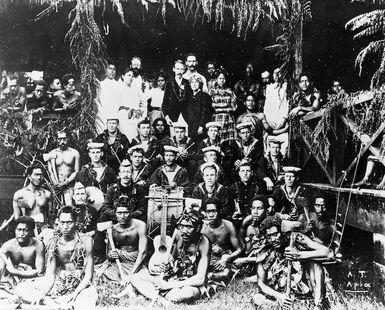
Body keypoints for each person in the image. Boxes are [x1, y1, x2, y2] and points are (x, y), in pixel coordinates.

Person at [16, 206, 98, 310]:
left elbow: (88, 275)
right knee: (21, 288)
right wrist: (43, 293)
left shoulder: (86, 241)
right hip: (60, 282)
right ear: (58, 222)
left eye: (69, 222)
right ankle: (50, 303)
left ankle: (63, 303)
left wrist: (75, 294)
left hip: (81, 284)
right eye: (62, 223)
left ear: (76, 222)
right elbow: (51, 275)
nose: (65, 226)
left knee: (86, 299)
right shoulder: (54, 243)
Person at [252, 215, 333, 310]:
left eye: (275, 234)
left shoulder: (295, 237)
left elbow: (329, 253)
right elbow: (261, 284)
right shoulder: (263, 249)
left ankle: (318, 304)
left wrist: (300, 255)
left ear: (282, 232)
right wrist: (280, 297)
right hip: (282, 291)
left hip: (305, 286)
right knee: (256, 299)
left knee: (315, 264)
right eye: (269, 236)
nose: (273, 239)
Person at [131, 209, 210, 305]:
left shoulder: (204, 243)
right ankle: (162, 299)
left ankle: (153, 294)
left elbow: (200, 279)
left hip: (190, 284)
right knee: (135, 277)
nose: (184, 231)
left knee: (188, 293)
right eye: (182, 226)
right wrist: (168, 267)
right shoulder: (181, 238)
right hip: (173, 279)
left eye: (189, 227)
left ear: (197, 228)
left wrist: (168, 285)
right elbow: (175, 262)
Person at [97, 199, 148, 287]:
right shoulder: (112, 229)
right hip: (120, 262)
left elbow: (143, 252)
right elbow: (109, 255)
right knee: (102, 274)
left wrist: (131, 274)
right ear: (115, 213)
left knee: (139, 279)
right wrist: (111, 255)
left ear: (131, 212)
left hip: (136, 260)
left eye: (126, 212)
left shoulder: (140, 225)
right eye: (119, 213)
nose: (123, 216)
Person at [0, 216, 45, 298]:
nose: (21, 233)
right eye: (19, 230)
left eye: (25, 230)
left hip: (33, 280)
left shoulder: (38, 245)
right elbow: (1, 270)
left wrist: (15, 271)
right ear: (15, 230)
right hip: (12, 280)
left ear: (31, 231)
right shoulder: (7, 246)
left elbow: (39, 271)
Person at [201, 198, 241, 282]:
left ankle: (208, 276)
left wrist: (228, 258)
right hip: (207, 259)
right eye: (208, 211)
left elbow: (239, 249)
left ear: (219, 211)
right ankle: (207, 276)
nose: (211, 214)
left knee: (225, 274)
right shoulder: (202, 228)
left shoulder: (228, 226)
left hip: (224, 259)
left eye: (214, 211)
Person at [47, 131, 80, 205]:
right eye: (60, 139)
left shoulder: (74, 153)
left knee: (70, 207)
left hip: (70, 186)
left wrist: (66, 182)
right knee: (56, 208)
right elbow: (50, 171)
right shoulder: (52, 153)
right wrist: (56, 184)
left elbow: (76, 171)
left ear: (68, 138)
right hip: (56, 187)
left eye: (64, 139)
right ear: (56, 139)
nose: (62, 141)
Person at [228, 159, 266, 224]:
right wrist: (232, 215)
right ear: (239, 173)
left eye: (248, 171)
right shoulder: (232, 188)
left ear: (251, 173)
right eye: (242, 171)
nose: (245, 173)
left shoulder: (258, 186)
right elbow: (229, 207)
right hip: (238, 221)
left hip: (255, 219)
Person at [264, 68, 289, 155]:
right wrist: (269, 122)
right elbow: (267, 107)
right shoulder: (269, 88)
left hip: (281, 123)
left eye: (279, 73)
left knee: (283, 149)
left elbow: (286, 105)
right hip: (271, 123)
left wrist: (283, 121)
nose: (277, 76)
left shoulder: (285, 88)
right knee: (269, 149)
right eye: (275, 73)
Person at [210, 69, 237, 142]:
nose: (222, 80)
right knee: (217, 139)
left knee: (228, 141)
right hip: (216, 118)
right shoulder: (212, 92)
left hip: (228, 118)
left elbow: (234, 106)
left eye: (223, 78)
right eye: (220, 78)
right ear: (216, 79)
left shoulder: (230, 91)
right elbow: (210, 106)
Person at [117, 67, 142, 141]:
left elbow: (142, 103)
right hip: (123, 116)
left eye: (132, 76)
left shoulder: (135, 89)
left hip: (134, 116)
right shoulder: (119, 88)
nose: (131, 77)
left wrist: (139, 112)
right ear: (123, 76)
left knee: (134, 136)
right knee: (124, 136)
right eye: (128, 75)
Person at [184, 75, 212, 141]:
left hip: (201, 127)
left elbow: (205, 112)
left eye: (196, 82)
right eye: (192, 82)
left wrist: (201, 126)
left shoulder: (205, 96)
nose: (194, 84)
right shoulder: (189, 98)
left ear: (200, 84)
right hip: (191, 127)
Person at [97, 63, 119, 133]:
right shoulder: (101, 85)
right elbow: (98, 101)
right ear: (105, 71)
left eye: (114, 69)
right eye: (110, 69)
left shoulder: (118, 85)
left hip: (115, 114)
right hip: (104, 114)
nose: (112, 71)